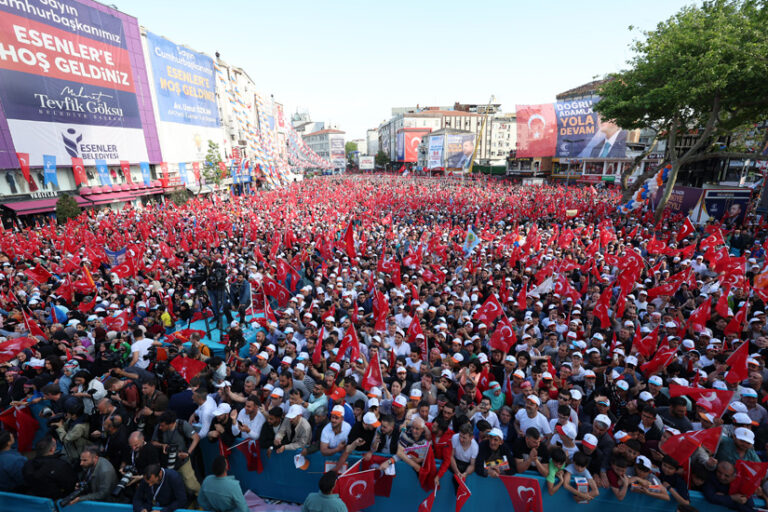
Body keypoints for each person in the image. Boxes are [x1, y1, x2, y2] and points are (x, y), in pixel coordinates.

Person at [22, 435, 76, 499]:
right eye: (55, 445)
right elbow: (71, 486)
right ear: (52, 449)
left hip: (32, 500)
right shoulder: (61, 465)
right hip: (56, 501)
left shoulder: (27, 464)